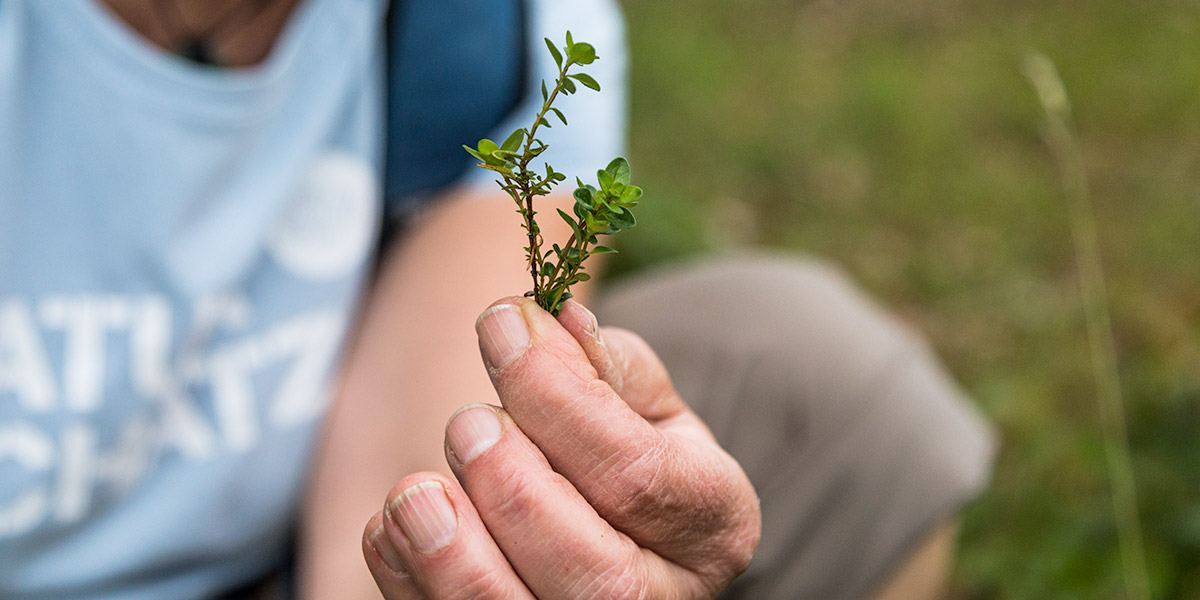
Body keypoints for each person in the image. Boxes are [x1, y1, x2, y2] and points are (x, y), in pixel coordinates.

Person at [0, 1, 996, 599]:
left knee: (829, 390)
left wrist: (481, 558)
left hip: (267, 559)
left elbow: (395, 512)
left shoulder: (485, 31)